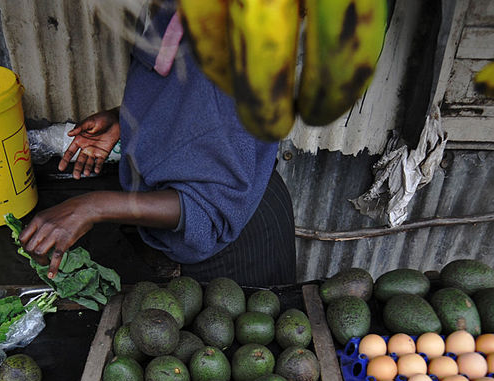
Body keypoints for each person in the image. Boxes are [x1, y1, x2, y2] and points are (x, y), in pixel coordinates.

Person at [18, 0, 295, 288]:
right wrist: (126, 119)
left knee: (235, 328)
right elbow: (185, 103)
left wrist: (90, 208)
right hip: (234, 199)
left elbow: (206, 211)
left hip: (237, 240)